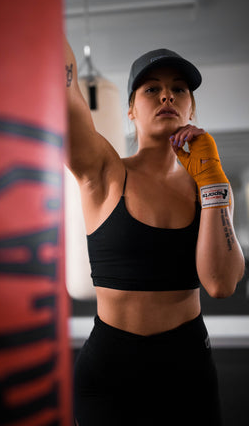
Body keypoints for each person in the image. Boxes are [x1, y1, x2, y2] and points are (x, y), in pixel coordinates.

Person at [65, 40, 245, 426]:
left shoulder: (212, 188)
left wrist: (212, 177)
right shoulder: (105, 172)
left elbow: (220, 284)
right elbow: (65, 97)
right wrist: (39, 17)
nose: (167, 94)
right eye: (151, 89)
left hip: (187, 368)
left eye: (179, 88)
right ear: (130, 109)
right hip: (110, 370)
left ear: (191, 107)